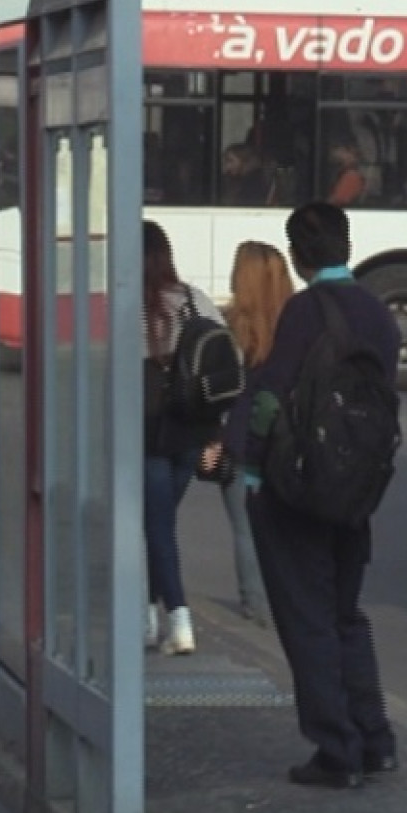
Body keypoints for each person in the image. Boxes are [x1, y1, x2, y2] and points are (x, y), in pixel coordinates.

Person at [216, 202, 400, 790]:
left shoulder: (304, 311)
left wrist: (248, 468)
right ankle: (375, 739)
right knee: (346, 615)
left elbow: (271, 396)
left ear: (297, 255)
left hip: (298, 486)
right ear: (347, 245)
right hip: (358, 485)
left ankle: (336, 750)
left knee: (307, 619)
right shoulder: (377, 311)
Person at [143, 221, 225, 656]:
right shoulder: (196, 301)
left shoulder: (128, 306)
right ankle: (147, 615)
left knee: (157, 526)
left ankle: (178, 619)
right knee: (158, 523)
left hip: (150, 433)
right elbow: (229, 362)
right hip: (193, 431)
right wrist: (216, 432)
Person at [209, 240, 291, 627]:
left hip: (239, 440)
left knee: (245, 528)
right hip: (285, 440)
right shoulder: (295, 325)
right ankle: (284, 598)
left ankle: (255, 602)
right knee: (283, 527)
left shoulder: (229, 327)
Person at [222, 142, 279, 206]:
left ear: (244, 160)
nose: (228, 166)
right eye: (226, 162)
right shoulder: (233, 180)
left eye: (230, 161)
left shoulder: (255, 182)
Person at [326, 142, 365, 207]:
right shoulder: (342, 172)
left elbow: (338, 200)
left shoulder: (351, 176)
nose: (335, 153)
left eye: (341, 150)